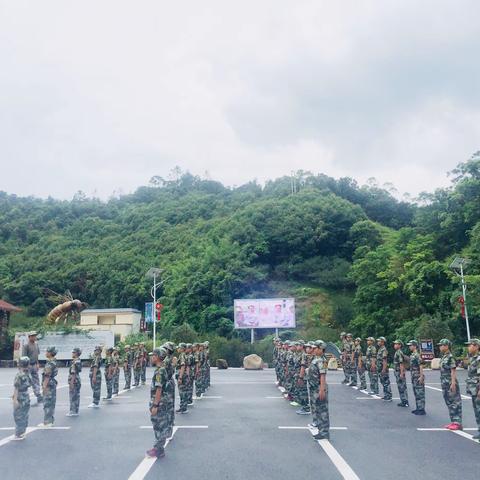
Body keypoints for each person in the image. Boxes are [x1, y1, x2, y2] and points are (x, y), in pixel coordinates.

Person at [146, 348, 169, 458]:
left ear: (158, 357)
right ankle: (159, 449)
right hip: (161, 402)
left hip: (159, 403)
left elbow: (159, 389)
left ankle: (158, 449)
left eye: (153, 355)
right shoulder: (160, 369)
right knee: (158, 425)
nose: (151, 357)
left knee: (159, 426)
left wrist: (155, 405)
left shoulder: (160, 371)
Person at [438, 338, 462, 430]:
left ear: (446, 346)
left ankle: (457, 422)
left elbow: (453, 370)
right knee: (449, 401)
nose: (440, 347)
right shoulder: (444, 357)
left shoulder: (450, 357)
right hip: (445, 383)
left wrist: (453, 383)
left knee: (455, 402)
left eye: (441, 345)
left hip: (450, 382)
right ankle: (453, 421)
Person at [308, 340, 330, 440]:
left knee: (322, 411)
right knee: (317, 410)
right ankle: (321, 430)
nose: (313, 349)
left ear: (321, 349)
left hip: (319, 388)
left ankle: (324, 432)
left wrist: (322, 389)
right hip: (314, 388)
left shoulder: (321, 360)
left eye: (315, 348)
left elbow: (322, 375)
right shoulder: (316, 358)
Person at [12, 356, 32, 440]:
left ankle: (19, 434)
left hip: (20, 395)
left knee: (18, 414)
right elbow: (30, 384)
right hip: (26, 395)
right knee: (24, 414)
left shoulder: (19, 375)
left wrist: (15, 399)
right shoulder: (28, 373)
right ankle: (22, 431)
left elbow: (16, 388)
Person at [465, 338, 480, 440]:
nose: (468, 347)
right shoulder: (472, 358)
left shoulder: (479, 359)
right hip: (473, 388)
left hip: (477, 388)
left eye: (470, 345)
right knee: (477, 410)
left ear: (476, 346)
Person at [22, 331, 42, 403]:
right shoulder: (26, 345)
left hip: (34, 364)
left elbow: (36, 355)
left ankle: (38, 395)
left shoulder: (36, 344)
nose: (34, 337)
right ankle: (24, 397)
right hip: (28, 365)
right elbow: (24, 357)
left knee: (36, 380)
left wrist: (37, 363)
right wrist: (26, 367)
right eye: (32, 336)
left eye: (35, 336)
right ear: (29, 337)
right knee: (26, 381)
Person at [40, 346, 58, 426]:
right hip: (52, 383)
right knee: (51, 402)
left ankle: (47, 422)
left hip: (48, 384)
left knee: (47, 403)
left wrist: (44, 386)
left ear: (50, 353)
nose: (46, 353)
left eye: (47, 351)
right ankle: (49, 420)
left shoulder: (49, 363)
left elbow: (47, 376)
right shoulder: (53, 361)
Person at [407, 340, 425, 415]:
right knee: (416, 392)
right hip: (414, 376)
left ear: (414, 346)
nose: (409, 347)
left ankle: (421, 409)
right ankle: (418, 408)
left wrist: (421, 376)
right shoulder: (413, 355)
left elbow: (421, 366)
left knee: (420, 392)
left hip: (417, 375)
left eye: (410, 345)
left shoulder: (417, 355)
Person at [393, 340, 409, 408]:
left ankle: (405, 401)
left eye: (397, 344)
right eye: (395, 344)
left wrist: (402, 373)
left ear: (400, 345)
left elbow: (401, 363)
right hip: (397, 371)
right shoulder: (397, 352)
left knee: (402, 387)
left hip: (399, 371)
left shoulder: (399, 352)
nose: (395, 345)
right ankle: (403, 401)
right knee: (400, 386)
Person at [67, 347, 82, 416]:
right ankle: (75, 410)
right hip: (77, 379)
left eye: (73, 352)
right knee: (76, 395)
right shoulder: (77, 361)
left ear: (77, 353)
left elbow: (73, 373)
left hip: (74, 380)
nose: (72, 353)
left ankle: (73, 411)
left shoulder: (75, 362)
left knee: (73, 395)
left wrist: (72, 382)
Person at [376, 337, 392, 401]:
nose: (378, 342)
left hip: (383, 369)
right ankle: (386, 395)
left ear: (382, 342)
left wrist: (384, 369)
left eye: (379, 341)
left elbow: (384, 360)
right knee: (383, 382)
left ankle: (389, 396)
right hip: (380, 368)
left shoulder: (384, 350)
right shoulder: (380, 349)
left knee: (386, 382)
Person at [175, 343, 189, 414]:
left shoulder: (182, 355)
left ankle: (183, 408)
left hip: (182, 377)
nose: (178, 349)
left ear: (182, 349)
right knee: (183, 392)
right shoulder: (183, 355)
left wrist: (180, 377)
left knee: (182, 392)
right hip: (184, 376)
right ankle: (183, 407)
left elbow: (183, 366)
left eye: (179, 348)